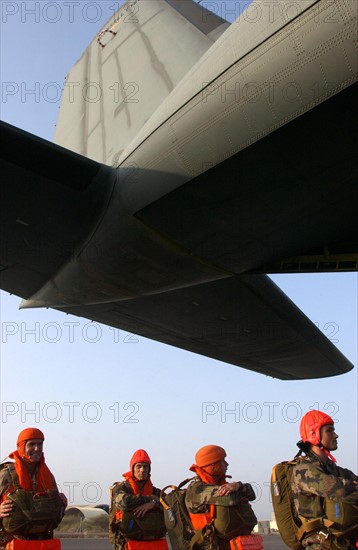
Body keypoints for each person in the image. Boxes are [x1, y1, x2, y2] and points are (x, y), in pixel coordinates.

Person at [291, 410, 358, 549]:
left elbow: (351, 481)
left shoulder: (332, 469)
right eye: (330, 431)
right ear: (314, 434)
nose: (335, 435)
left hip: (338, 540)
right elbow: (339, 490)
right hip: (319, 544)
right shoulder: (303, 470)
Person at [0, 427, 67, 547]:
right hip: (10, 543)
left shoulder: (47, 476)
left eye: (40, 444)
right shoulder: (6, 475)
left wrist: (61, 505)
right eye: (31, 444)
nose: (37, 449)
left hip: (42, 543)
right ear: (21, 447)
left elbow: (55, 517)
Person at [185, 445, 257, 549]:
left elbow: (252, 494)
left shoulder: (220, 485)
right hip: (207, 545)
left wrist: (238, 485)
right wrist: (239, 490)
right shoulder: (197, 489)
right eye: (223, 461)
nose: (227, 464)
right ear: (212, 465)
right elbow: (229, 499)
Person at [109, 449, 167, 549]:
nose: (142, 470)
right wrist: (150, 499)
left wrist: (154, 505)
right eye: (138, 466)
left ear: (149, 469)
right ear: (132, 468)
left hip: (152, 542)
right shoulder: (120, 489)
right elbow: (126, 502)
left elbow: (171, 504)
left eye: (145, 467)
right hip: (126, 542)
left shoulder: (156, 492)